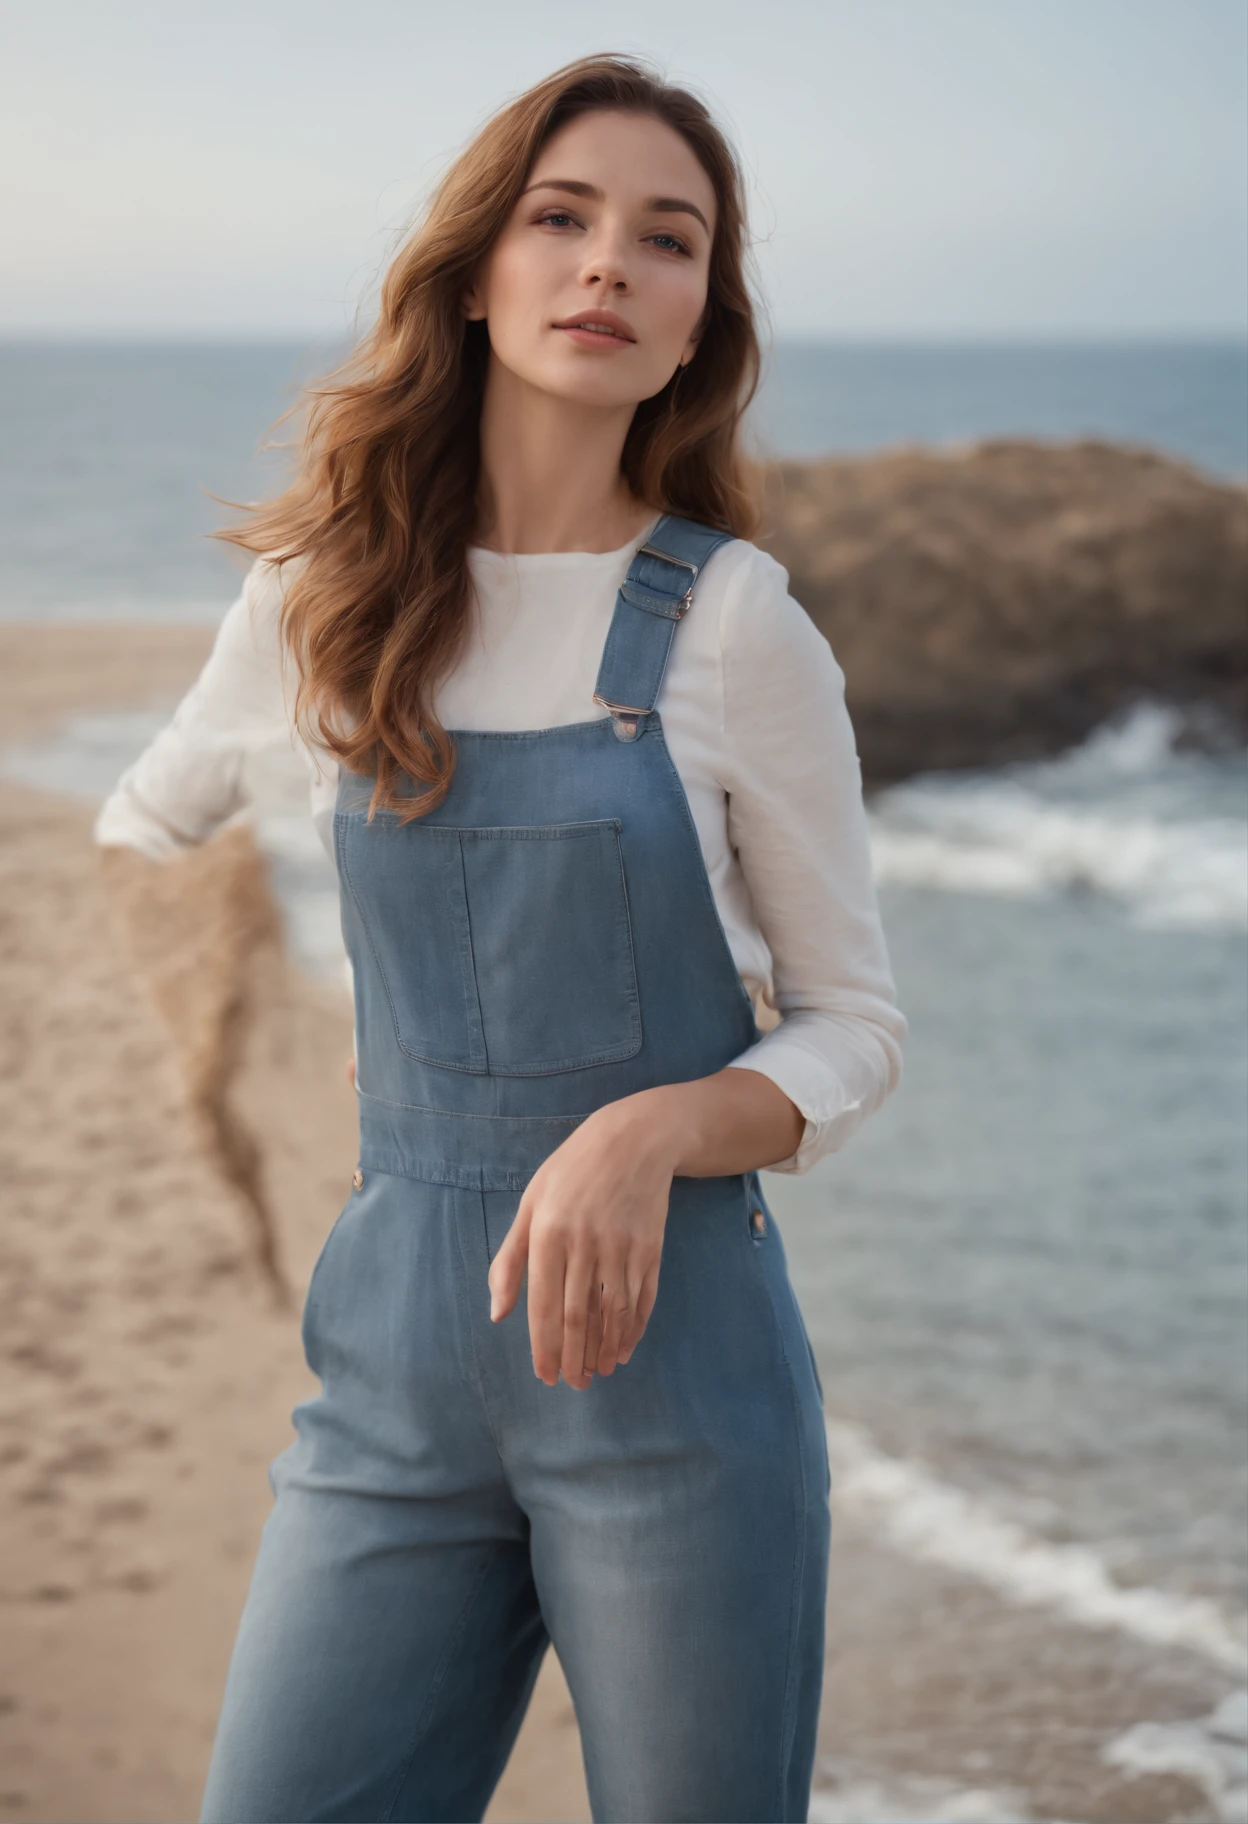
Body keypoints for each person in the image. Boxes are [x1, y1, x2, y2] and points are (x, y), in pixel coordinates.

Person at [95, 51, 905, 1824]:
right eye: (564, 216)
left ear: (700, 323)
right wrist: (249, 1052)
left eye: (667, 239)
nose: (611, 262)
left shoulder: (736, 627)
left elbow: (854, 1026)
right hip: (391, 1374)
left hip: (680, 1390)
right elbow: (145, 834)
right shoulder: (319, 601)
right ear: (479, 271)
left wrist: (652, 1126)